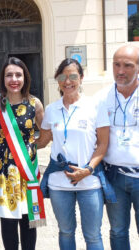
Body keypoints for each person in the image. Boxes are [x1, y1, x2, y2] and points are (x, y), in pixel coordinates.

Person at [37, 58, 113, 250]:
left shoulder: (95, 106)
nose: (67, 81)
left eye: (73, 76)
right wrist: (13, 142)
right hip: (59, 183)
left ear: (81, 78)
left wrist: (87, 169)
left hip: (89, 180)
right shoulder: (51, 109)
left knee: (93, 235)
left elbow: (103, 144)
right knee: (65, 232)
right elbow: (43, 141)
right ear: (58, 80)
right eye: (62, 76)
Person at [0, 57, 45, 250]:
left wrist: (31, 148)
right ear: (2, 79)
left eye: (18, 75)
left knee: (29, 220)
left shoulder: (35, 104)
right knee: (8, 222)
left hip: (26, 170)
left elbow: (45, 135)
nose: (14, 79)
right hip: (2, 171)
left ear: (25, 78)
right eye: (9, 75)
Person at [98, 45, 139, 250]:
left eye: (128, 65)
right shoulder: (102, 98)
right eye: (116, 64)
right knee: (118, 231)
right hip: (114, 177)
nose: (120, 70)